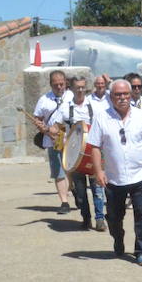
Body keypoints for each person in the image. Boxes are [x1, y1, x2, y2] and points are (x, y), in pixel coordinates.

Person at [89, 79, 142, 267]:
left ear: (130, 95)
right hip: (114, 178)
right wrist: (99, 171)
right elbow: (95, 147)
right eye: (117, 95)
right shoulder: (101, 117)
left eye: (125, 94)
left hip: (140, 175)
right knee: (114, 216)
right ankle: (118, 238)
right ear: (111, 96)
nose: (122, 98)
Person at [52, 76, 107, 231]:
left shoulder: (94, 106)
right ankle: (86, 217)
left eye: (83, 87)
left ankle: (99, 219)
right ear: (72, 89)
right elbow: (56, 127)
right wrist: (51, 131)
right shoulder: (65, 108)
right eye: (78, 87)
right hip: (74, 156)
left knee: (97, 189)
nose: (81, 90)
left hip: (93, 152)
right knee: (81, 192)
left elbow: (103, 125)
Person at [31, 69, 72, 214]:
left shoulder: (72, 96)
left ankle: (75, 193)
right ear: (50, 85)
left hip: (72, 138)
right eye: (56, 85)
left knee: (72, 169)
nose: (59, 87)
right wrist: (44, 129)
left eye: (61, 84)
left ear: (66, 82)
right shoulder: (44, 100)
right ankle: (64, 202)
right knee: (59, 171)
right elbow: (38, 119)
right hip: (54, 139)